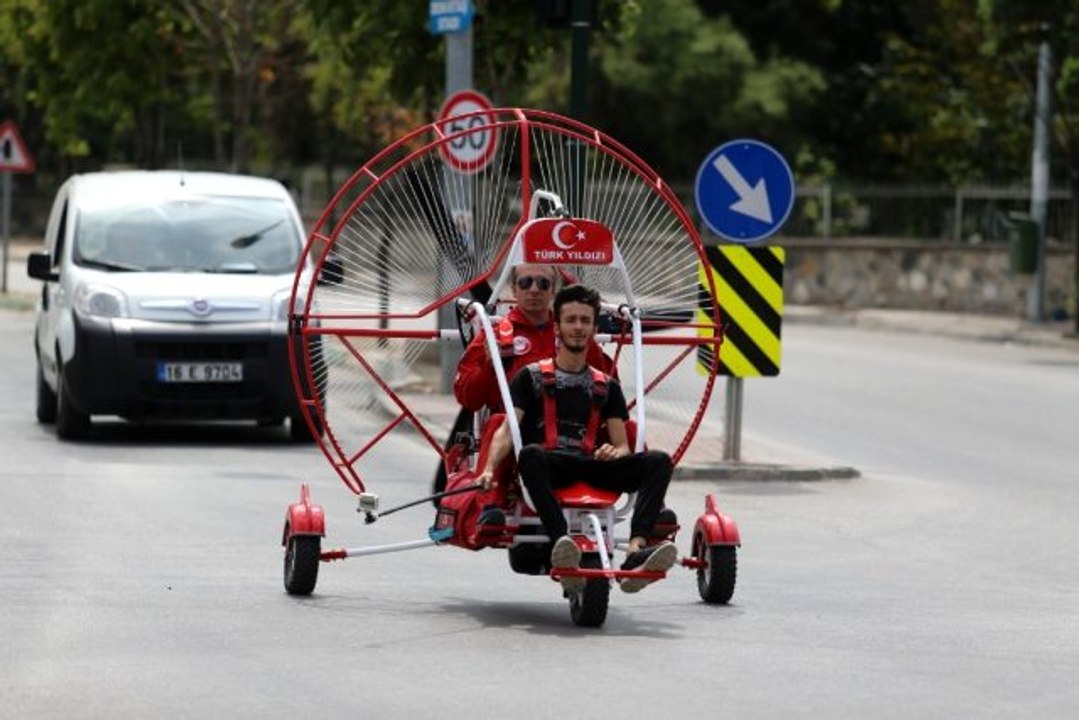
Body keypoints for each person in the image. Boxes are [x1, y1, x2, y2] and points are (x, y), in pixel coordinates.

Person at [476, 283, 677, 594]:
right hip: (551, 465)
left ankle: (636, 550)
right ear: (557, 327)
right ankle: (562, 543)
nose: (578, 328)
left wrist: (615, 451)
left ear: (595, 328)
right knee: (529, 454)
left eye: (585, 321)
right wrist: (489, 468)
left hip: (592, 464)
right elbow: (506, 430)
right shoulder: (529, 378)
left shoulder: (606, 386)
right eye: (571, 320)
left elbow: (623, 444)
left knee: (660, 461)